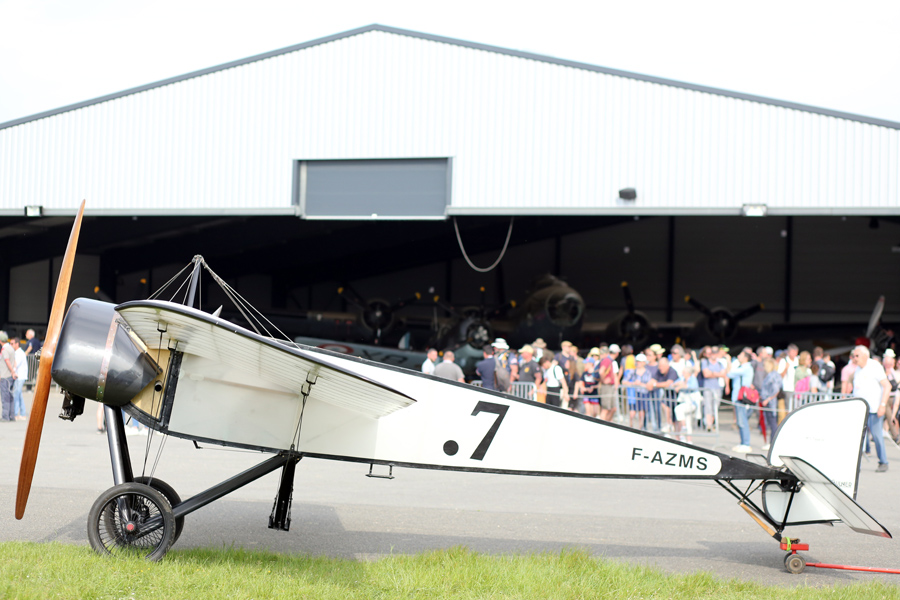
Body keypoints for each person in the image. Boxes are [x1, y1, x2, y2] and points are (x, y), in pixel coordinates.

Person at [850, 346, 892, 472]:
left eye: (857, 356)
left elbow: (887, 386)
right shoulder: (858, 369)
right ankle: (855, 463)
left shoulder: (875, 366)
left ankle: (883, 462)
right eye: (854, 356)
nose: (854, 358)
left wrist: (882, 405)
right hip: (860, 409)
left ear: (865, 356)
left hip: (874, 408)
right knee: (857, 437)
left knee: (877, 436)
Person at [728, 350, 756, 453]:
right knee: (740, 422)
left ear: (745, 358)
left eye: (740, 355)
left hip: (742, 398)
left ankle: (746, 444)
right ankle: (742, 443)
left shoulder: (746, 368)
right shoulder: (742, 367)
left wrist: (728, 361)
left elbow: (729, 373)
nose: (738, 356)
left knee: (743, 421)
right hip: (738, 397)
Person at [623, 353, 653, 430]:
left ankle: (640, 429)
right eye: (637, 361)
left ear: (644, 362)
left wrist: (641, 384)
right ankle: (630, 428)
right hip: (633, 395)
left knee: (641, 413)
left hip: (643, 394)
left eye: (640, 361)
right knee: (632, 413)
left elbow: (649, 385)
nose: (638, 363)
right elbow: (624, 382)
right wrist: (633, 383)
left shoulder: (648, 373)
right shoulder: (632, 372)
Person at [700, 345, 726, 432]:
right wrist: (717, 374)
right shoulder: (705, 362)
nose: (713, 355)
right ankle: (708, 424)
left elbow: (723, 374)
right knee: (708, 406)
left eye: (715, 353)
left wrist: (712, 373)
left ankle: (713, 423)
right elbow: (706, 374)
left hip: (717, 388)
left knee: (715, 406)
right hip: (707, 388)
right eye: (712, 353)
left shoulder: (720, 363)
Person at [758, 357, 782, 450]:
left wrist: (768, 399)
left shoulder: (773, 375)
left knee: (772, 423)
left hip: (770, 403)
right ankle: (771, 443)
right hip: (767, 401)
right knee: (770, 423)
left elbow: (776, 390)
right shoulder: (771, 375)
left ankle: (772, 443)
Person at [651, 356, 678, 432]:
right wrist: (651, 384)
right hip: (668, 396)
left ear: (667, 365)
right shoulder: (659, 371)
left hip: (677, 397)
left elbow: (668, 383)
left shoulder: (672, 371)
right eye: (659, 366)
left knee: (677, 417)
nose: (660, 368)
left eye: (662, 366)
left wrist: (655, 384)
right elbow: (652, 381)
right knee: (664, 404)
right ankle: (669, 425)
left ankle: (676, 432)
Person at [0, 331, 18, 422]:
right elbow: (14, 361)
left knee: (5, 397)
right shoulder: (11, 348)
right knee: (10, 396)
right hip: (10, 377)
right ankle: (12, 415)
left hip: (5, 376)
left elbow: (7, 361)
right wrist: (14, 371)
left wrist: (12, 371)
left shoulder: (4, 350)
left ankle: (5, 416)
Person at [597, 346, 618, 422]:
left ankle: (607, 423)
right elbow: (601, 371)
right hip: (606, 386)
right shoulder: (607, 360)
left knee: (612, 408)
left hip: (609, 386)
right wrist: (604, 380)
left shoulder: (607, 360)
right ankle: (603, 425)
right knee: (605, 409)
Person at [12, 337, 27, 420]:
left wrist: (12, 371)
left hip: (20, 376)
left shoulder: (19, 353)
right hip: (19, 376)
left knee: (16, 395)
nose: (11, 345)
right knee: (19, 395)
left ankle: (15, 413)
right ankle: (23, 413)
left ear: (17, 344)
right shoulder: (18, 352)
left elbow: (16, 364)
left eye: (12, 343)